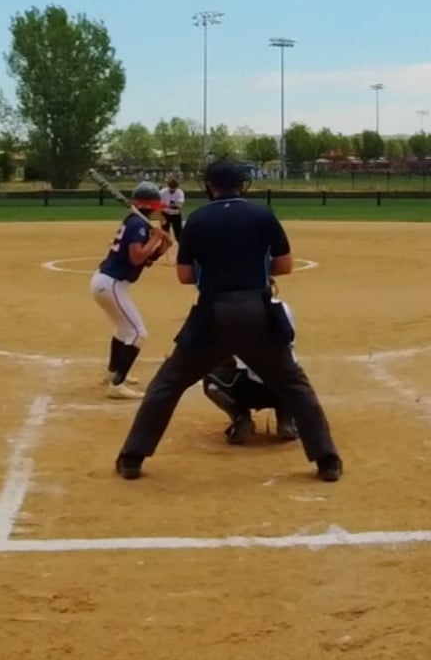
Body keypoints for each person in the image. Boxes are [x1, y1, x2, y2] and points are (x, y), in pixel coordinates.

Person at [115, 159, 341, 482]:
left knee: (168, 384)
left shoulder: (198, 219)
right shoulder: (262, 214)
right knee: (294, 384)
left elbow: (184, 275)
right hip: (257, 313)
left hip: (212, 316)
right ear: (241, 184)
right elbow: (285, 265)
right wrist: (250, 269)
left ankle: (132, 458)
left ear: (210, 186)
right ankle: (327, 459)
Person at [91, 180, 173, 399]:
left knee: (123, 330)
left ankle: (113, 373)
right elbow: (136, 257)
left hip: (107, 283)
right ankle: (117, 386)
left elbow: (146, 260)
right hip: (111, 284)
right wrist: (155, 238)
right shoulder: (137, 224)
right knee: (138, 333)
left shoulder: (136, 222)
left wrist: (161, 247)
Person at [202, 279, 300, 444]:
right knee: (294, 372)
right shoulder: (283, 307)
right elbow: (289, 342)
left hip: (249, 389)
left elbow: (225, 356)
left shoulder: (232, 312)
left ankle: (241, 418)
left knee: (210, 378)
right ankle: (286, 420)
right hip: (285, 386)